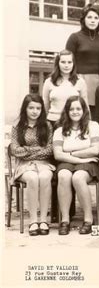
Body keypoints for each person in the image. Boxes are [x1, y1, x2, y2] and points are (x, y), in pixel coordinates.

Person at [53, 96, 99, 235]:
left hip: (89, 164)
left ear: (84, 110)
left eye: (78, 108)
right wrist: (80, 158)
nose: (75, 112)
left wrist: (70, 153)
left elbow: (95, 150)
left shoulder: (93, 126)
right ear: (67, 111)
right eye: (72, 109)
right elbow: (57, 154)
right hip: (72, 162)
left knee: (78, 178)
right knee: (63, 175)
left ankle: (88, 219)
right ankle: (65, 220)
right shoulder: (59, 130)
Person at [10, 94, 55, 236]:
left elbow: (49, 150)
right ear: (25, 108)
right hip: (24, 165)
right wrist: (36, 150)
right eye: (31, 108)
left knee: (45, 177)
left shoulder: (46, 125)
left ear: (42, 110)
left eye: (38, 108)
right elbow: (15, 150)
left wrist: (27, 150)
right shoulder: (18, 126)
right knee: (33, 178)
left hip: (44, 164)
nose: (35, 111)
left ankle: (43, 220)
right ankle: (33, 221)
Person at [66, 4, 99, 118]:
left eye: (96, 18)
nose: (93, 21)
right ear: (83, 19)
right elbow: (68, 61)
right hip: (80, 79)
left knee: (97, 113)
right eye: (89, 17)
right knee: (80, 111)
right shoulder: (75, 37)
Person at [42, 50, 88, 124]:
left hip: (74, 123)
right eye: (63, 62)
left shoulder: (80, 81)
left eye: (69, 62)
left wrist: (88, 124)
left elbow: (85, 106)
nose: (66, 65)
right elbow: (45, 106)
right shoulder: (49, 81)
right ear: (58, 63)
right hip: (53, 122)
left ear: (73, 64)